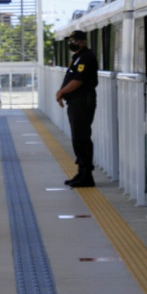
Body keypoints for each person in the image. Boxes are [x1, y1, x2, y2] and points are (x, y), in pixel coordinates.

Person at [55, 30, 97, 188]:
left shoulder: (86, 57)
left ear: (84, 41)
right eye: (71, 41)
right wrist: (62, 93)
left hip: (82, 103)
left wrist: (61, 92)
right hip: (76, 102)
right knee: (78, 138)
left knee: (82, 138)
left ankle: (87, 175)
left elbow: (78, 81)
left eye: (76, 40)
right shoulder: (78, 57)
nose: (72, 43)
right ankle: (81, 172)